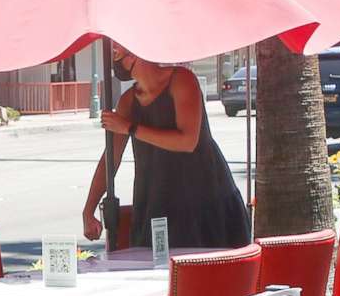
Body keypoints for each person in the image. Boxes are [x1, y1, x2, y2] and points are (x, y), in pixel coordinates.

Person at [79, 45, 250, 249]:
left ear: (136, 52)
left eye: (117, 52)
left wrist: (130, 128)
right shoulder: (128, 102)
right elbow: (110, 159)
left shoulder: (181, 80)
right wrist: (88, 210)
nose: (114, 59)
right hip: (156, 200)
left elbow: (187, 141)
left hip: (204, 198)